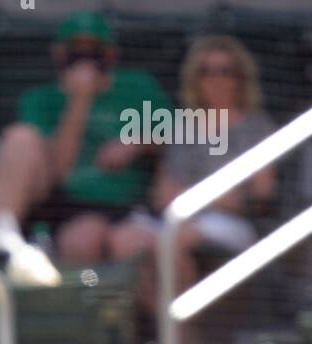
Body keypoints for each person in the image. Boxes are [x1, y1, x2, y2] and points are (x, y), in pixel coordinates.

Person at [0, 12, 169, 286]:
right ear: (59, 53)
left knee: (97, 238)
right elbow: (60, 170)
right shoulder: (41, 99)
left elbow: (177, 134)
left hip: (123, 202)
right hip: (64, 204)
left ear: (110, 54)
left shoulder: (137, 86)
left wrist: (137, 142)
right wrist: (79, 100)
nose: (84, 56)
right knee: (20, 136)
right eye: (76, 48)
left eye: (93, 48)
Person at [110, 36, 276, 325]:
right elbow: (162, 192)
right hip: (176, 217)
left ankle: (179, 341)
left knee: (172, 242)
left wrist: (196, 196)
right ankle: (169, 330)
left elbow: (261, 197)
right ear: (194, 79)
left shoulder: (257, 127)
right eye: (206, 71)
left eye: (225, 71)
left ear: (240, 78)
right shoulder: (183, 124)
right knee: (123, 239)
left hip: (230, 223)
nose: (216, 79)